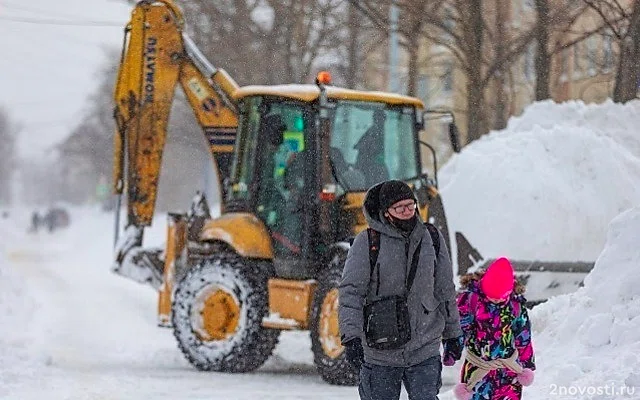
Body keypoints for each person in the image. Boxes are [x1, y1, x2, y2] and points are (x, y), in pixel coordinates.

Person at [338, 179, 463, 400]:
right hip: (380, 350)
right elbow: (351, 293)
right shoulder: (368, 242)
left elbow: (444, 289)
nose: (407, 211)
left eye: (410, 205)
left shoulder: (432, 239)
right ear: (386, 212)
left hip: (424, 347)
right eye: (399, 207)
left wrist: (453, 333)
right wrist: (351, 338)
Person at [449, 257, 536, 400]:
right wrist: (452, 351)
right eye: (492, 296)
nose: (497, 300)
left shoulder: (515, 305)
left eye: (501, 297)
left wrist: (527, 365)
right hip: (478, 369)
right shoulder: (471, 301)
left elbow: (524, 337)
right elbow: (459, 329)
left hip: (508, 371)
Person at [353, 110, 389, 186]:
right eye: (378, 119)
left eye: (381, 119)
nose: (381, 122)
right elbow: (363, 145)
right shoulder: (373, 131)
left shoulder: (378, 131)